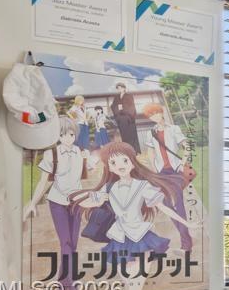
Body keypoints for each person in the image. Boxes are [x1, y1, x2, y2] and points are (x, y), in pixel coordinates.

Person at [79, 140, 192, 261]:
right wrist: (98, 201)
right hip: (120, 236)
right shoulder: (108, 187)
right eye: (113, 162)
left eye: (125, 160)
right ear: (109, 167)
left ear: (133, 163)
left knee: (141, 265)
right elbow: (84, 203)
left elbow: (163, 207)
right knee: (128, 270)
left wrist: (186, 223)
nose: (120, 165)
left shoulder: (143, 185)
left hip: (140, 234)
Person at [25, 116, 92, 290]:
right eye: (63, 134)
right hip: (57, 203)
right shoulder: (51, 154)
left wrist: (90, 159)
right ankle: (70, 283)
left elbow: (93, 169)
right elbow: (43, 182)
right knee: (66, 242)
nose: (68, 138)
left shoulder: (80, 152)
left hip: (76, 202)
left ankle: (63, 281)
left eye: (71, 134)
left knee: (73, 244)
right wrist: (32, 203)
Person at [138, 103, 193, 251]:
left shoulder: (173, 129)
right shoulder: (151, 133)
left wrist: (183, 162)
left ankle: (186, 243)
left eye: (156, 113)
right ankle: (186, 237)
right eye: (151, 115)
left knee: (178, 205)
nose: (154, 116)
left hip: (175, 171)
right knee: (168, 205)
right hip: (161, 173)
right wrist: (153, 167)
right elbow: (150, 152)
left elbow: (186, 145)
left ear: (161, 113)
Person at [108, 81, 141, 151]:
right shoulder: (116, 97)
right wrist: (118, 108)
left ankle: (135, 150)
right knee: (124, 135)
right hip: (121, 119)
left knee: (131, 135)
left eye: (120, 88)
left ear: (124, 88)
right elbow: (113, 106)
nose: (119, 90)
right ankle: (128, 150)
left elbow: (132, 106)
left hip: (128, 118)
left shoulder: (129, 95)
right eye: (118, 88)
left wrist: (123, 108)